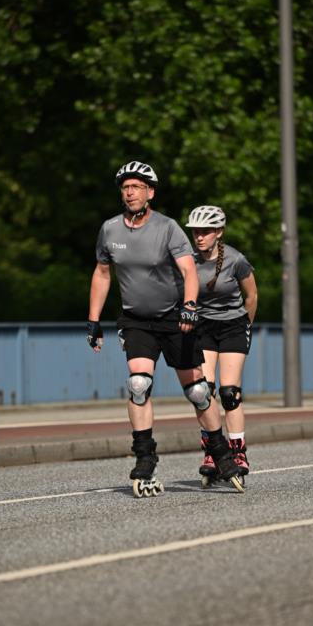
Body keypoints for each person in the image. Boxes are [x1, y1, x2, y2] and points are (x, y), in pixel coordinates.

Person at [87, 161, 245, 496]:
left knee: (199, 392)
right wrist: (93, 320)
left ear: (150, 193)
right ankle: (144, 457)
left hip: (174, 317)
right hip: (136, 320)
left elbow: (189, 271)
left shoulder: (168, 227)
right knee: (139, 383)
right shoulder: (110, 230)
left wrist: (189, 307)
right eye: (125, 187)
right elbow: (103, 274)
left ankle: (221, 453)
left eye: (136, 187)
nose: (129, 192)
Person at [186, 206, 258, 486]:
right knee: (203, 391)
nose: (199, 237)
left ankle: (238, 452)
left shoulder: (236, 260)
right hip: (203, 327)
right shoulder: (188, 261)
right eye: (195, 232)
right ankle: (213, 451)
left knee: (230, 393)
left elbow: (251, 295)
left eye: (205, 232)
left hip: (233, 326)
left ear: (218, 232)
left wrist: (245, 327)